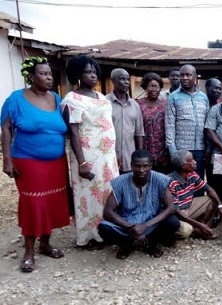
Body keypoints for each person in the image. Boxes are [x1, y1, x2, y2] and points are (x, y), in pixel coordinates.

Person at [1, 56, 70, 272]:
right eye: (43, 74)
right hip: (28, 161)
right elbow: (6, 129)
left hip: (57, 161)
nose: (49, 77)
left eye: (50, 74)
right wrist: (7, 160)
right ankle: (29, 251)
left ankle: (45, 243)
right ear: (31, 76)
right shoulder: (16, 99)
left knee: (51, 201)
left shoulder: (57, 99)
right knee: (33, 203)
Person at [61, 55, 119, 249]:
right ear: (77, 74)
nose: (92, 75)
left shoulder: (102, 97)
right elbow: (74, 133)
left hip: (107, 157)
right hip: (88, 156)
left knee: (107, 193)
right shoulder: (72, 100)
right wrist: (82, 163)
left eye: (94, 71)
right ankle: (88, 237)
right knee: (88, 195)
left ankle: (107, 231)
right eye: (87, 71)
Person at [98, 149, 180, 259]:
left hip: (151, 223)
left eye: (145, 166)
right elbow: (108, 212)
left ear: (151, 166)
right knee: (104, 228)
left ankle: (150, 244)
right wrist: (131, 228)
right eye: (137, 166)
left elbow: (171, 208)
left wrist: (145, 226)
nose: (141, 170)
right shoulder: (120, 182)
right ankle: (127, 245)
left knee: (173, 222)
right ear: (131, 165)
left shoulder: (159, 179)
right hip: (127, 225)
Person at [168, 150, 222, 240]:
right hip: (177, 214)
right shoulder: (170, 182)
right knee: (185, 230)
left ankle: (203, 228)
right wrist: (198, 224)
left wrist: (220, 205)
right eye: (192, 160)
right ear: (184, 166)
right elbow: (176, 211)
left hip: (188, 207)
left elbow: (209, 189)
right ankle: (197, 229)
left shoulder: (192, 174)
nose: (195, 162)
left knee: (212, 200)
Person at [165, 64, 209, 179]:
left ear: (195, 77)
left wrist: (207, 148)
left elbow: (207, 124)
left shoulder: (203, 97)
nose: (184, 78)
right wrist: (173, 151)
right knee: (180, 185)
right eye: (182, 75)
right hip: (181, 150)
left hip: (200, 149)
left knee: (196, 184)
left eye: (188, 75)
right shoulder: (173, 97)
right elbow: (169, 125)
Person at [106, 68, 144, 174]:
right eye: (122, 79)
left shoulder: (135, 105)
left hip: (129, 156)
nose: (126, 82)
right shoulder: (104, 102)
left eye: (128, 79)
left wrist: (139, 154)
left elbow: (139, 132)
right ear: (113, 80)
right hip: (109, 154)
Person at [136, 72, 170, 173]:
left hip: (163, 148)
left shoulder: (166, 103)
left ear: (160, 88)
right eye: (150, 86)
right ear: (145, 87)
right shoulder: (138, 104)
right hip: (146, 146)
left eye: (156, 86)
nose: (154, 89)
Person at [204, 77, 222, 184]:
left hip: (215, 148)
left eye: (220, 89)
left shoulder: (220, 106)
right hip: (199, 147)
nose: (218, 91)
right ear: (207, 88)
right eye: (215, 88)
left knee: (213, 180)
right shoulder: (200, 103)